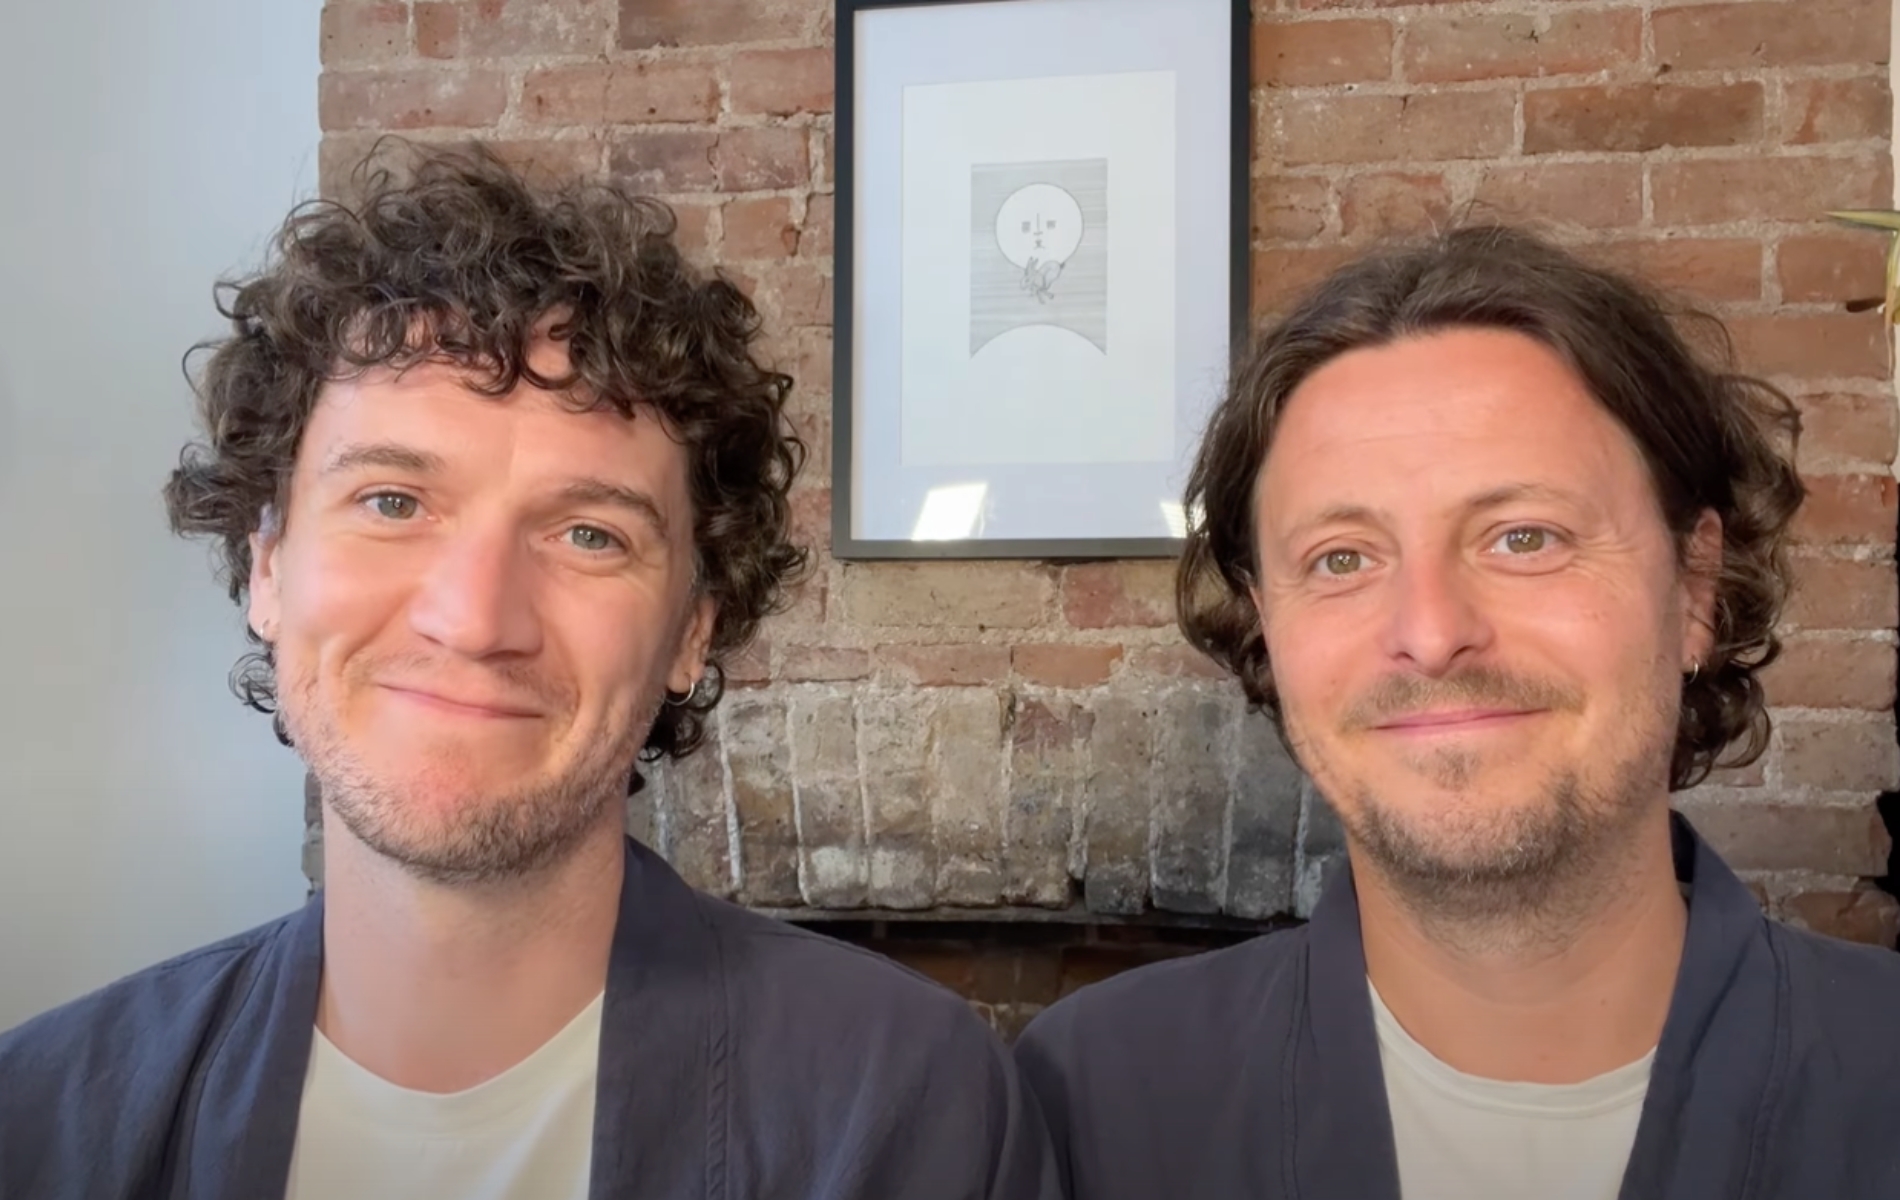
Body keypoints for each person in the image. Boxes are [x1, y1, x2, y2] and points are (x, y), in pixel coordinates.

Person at [0, 144, 1057, 1200]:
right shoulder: (45, 1117)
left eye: (589, 534)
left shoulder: (907, 1109)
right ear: (267, 565)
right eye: (391, 503)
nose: (474, 619)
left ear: (693, 628)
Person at [1014, 224, 1900, 1199]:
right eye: (1340, 558)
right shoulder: (1095, 1102)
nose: (1431, 634)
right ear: (1267, 626)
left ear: (1694, 588)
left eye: (1523, 537)